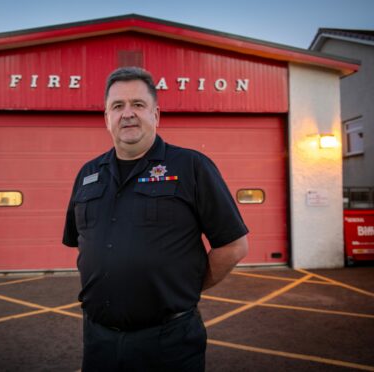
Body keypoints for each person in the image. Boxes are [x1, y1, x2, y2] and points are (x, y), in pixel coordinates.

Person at [63, 66, 249, 371]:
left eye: (138, 104)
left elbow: (234, 247)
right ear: (106, 117)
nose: (128, 114)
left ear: (156, 115)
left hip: (168, 342)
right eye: (117, 106)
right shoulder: (88, 174)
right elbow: (81, 244)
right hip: (98, 341)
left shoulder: (191, 166)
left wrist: (186, 288)